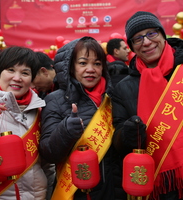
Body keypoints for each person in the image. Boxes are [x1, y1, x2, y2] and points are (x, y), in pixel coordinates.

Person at [39, 36, 124, 200]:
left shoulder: (113, 96)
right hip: (78, 192)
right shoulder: (55, 100)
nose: (91, 69)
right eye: (83, 63)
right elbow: (48, 153)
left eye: (97, 64)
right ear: (70, 67)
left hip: (115, 189)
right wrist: (65, 131)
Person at [112, 11, 183, 200]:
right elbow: (118, 140)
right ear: (132, 47)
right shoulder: (122, 87)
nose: (146, 42)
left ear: (162, 34)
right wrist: (127, 134)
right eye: (137, 39)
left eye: (152, 33)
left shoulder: (181, 71)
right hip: (156, 184)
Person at [0, 46, 47, 199]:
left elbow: (46, 165)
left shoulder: (39, 109)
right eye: (11, 70)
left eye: (25, 73)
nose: (17, 78)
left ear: (32, 80)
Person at [31, 51, 57, 199]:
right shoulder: (45, 92)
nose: (33, 86)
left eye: (34, 80)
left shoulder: (63, 88)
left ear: (44, 71)